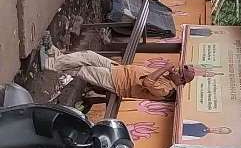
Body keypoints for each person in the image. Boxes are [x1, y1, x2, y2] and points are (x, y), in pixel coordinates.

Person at [41, 36, 195, 101]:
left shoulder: (167, 91)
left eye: (179, 72)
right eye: (178, 68)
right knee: (88, 55)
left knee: (82, 69)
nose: (175, 70)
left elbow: (147, 82)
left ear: (181, 80)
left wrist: (165, 68)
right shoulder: (167, 77)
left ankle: (50, 62)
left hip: (118, 82)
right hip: (119, 70)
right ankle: (53, 55)